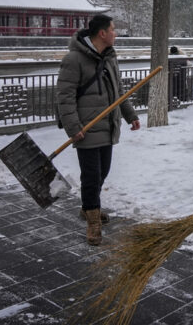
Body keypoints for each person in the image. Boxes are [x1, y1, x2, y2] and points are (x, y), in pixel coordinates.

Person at [57, 14, 141, 246]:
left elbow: (119, 92)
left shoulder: (111, 58)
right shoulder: (74, 59)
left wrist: (130, 115)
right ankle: (93, 223)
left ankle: (88, 207)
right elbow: (65, 97)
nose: (116, 33)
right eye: (113, 30)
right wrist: (73, 127)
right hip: (86, 128)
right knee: (92, 177)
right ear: (102, 33)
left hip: (107, 125)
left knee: (102, 172)